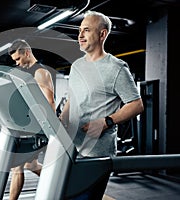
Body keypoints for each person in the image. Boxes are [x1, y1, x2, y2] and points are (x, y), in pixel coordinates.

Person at [59, 11, 144, 199]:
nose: (80, 35)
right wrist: (61, 121)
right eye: (80, 30)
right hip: (71, 148)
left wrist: (105, 122)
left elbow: (136, 105)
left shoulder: (116, 68)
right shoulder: (76, 66)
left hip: (96, 153)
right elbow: (72, 99)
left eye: (86, 30)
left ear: (102, 34)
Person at [7, 39, 56, 200]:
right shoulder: (27, 73)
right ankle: (61, 182)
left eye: (18, 59)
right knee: (31, 165)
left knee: (17, 167)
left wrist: (50, 131)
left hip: (38, 129)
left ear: (26, 52)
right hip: (29, 127)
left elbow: (49, 102)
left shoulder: (40, 73)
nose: (17, 63)